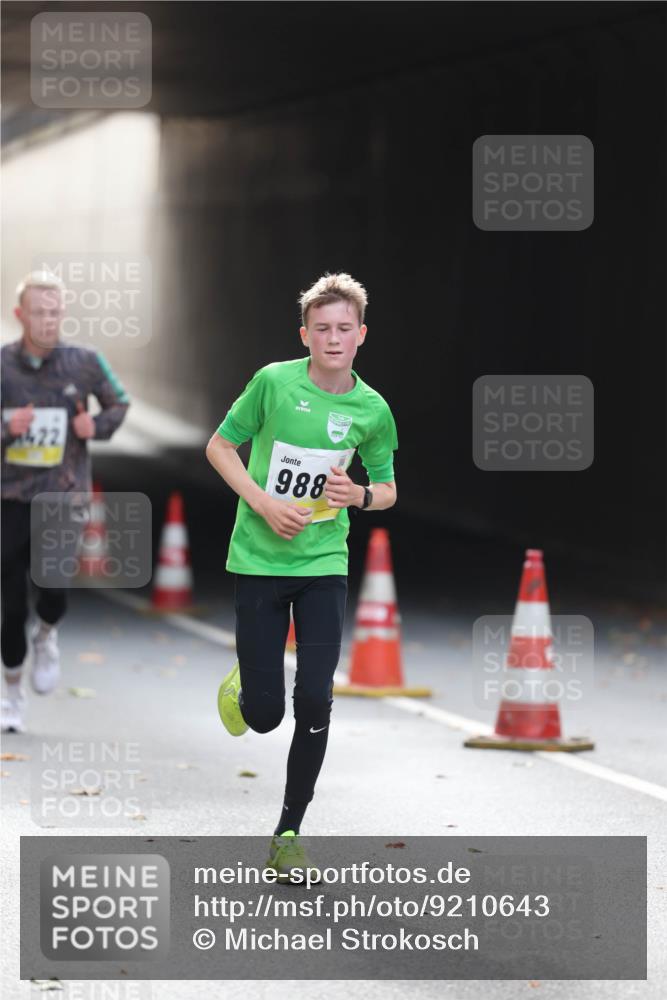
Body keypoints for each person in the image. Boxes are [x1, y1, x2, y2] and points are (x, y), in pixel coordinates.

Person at [206, 272, 398, 881]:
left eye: (344, 328)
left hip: (323, 565)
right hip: (259, 561)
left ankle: (288, 834)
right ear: (305, 335)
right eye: (322, 329)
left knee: (315, 696)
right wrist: (264, 503)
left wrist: (358, 495)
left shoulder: (372, 410)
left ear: (361, 334)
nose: (333, 338)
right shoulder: (273, 383)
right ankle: (246, 682)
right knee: (265, 716)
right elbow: (220, 447)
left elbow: (387, 489)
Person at [1, 270, 130, 732]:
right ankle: (12, 695)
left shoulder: (85, 362)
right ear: (20, 314)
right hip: (9, 498)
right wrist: (7, 428)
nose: (48, 321)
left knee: (53, 590)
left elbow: (119, 403)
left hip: (63, 495)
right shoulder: (2, 365)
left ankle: (47, 633)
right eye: (39, 312)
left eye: (55, 312)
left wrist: (95, 426)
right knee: (11, 604)